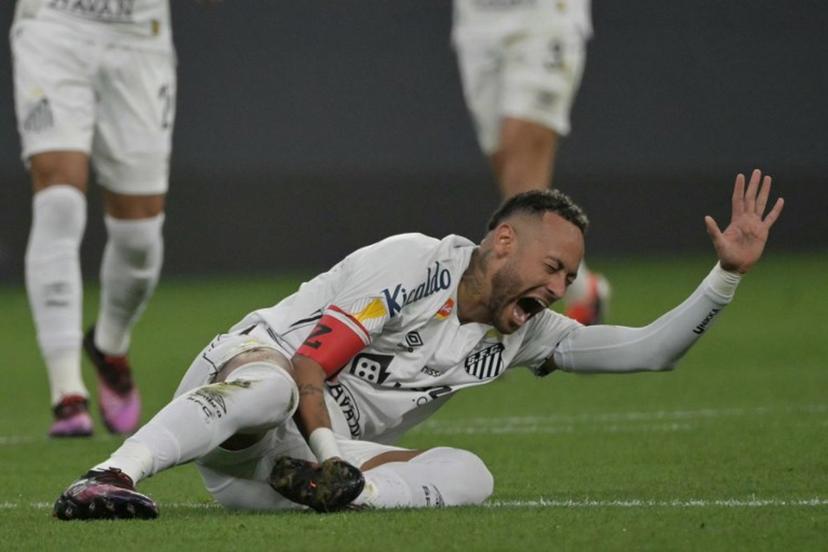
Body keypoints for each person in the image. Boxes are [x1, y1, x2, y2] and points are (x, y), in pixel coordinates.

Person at [53, 170, 782, 519]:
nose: (560, 288)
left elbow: (652, 349)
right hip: (244, 396)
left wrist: (724, 276)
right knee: (274, 386)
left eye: (569, 277)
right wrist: (334, 456)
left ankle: (352, 500)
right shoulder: (414, 263)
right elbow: (311, 362)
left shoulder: (522, 334)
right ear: (502, 243)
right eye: (553, 267)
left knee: (473, 474)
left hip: (286, 469)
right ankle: (110, 476)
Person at [11, 0, 178, 437]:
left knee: (140, 237)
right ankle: (67, 393)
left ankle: (110, 346)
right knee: (59, 200)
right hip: (55, 22)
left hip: (139, 34)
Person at [452, 0, 609, 324]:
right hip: (477, 19)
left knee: (521, 155)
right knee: (510, 170)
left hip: (544, 15)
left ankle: (514, 304)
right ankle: (582, 290)